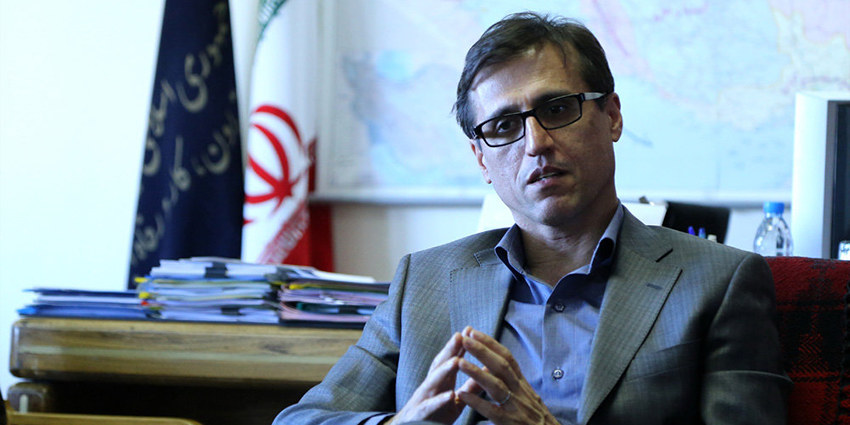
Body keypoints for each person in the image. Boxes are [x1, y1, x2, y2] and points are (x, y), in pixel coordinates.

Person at [275, 12, 791, 425]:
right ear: (481, 160)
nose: (536, 143)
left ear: (612, 116)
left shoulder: (717, 283)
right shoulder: (424, 284)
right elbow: (303, 418)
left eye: (558, 109)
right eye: (503, 126)